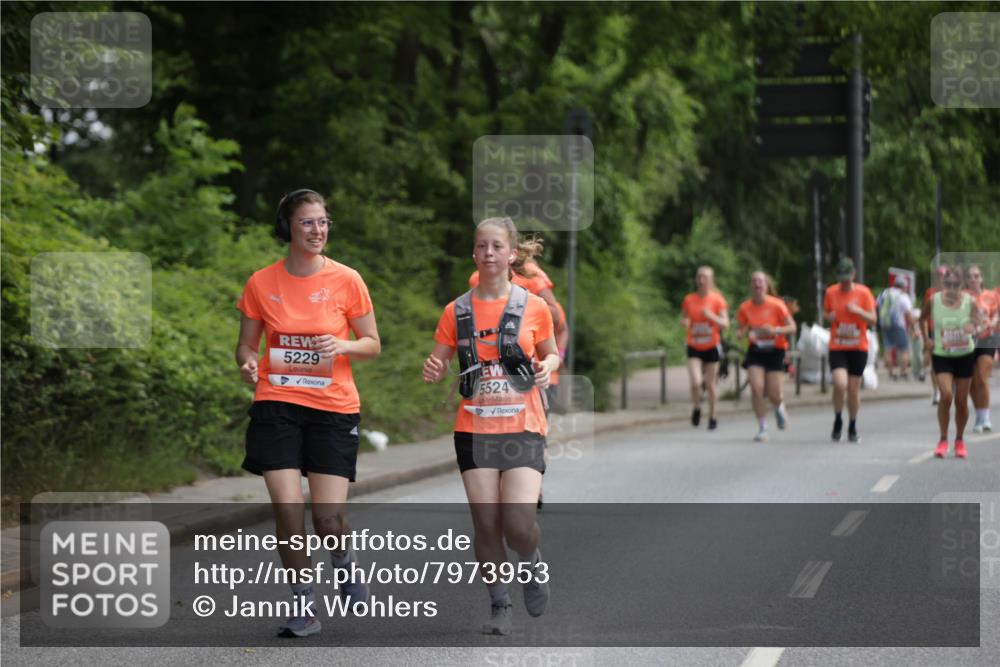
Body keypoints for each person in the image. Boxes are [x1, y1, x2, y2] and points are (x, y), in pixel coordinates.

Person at [235, 189, 381, 638]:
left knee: (327, 520)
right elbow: (246, 345)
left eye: (323, 222)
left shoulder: (347, 279)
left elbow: (373, 344)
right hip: (277, 402)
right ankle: (303, 605)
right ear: (288, 228)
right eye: (307, 223)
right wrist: (245, 362)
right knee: (287, 508)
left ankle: (343, 559)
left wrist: (343, 345)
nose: (318, 230)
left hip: (332, 408)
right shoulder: (262, 282)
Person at [423, 216, 558, 636]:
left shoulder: (534, 306)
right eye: (482, 246)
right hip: (474, 429)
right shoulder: (456, 309)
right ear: (474, 253)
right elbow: (440, 359)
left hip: (522, 427)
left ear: (511, 254)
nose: (489, 253)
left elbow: (552, 354)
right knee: (485, 523)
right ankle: (500, 605)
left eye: (497, 247)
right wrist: (432, 368)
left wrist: (545, 367)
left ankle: (532, 565)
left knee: (517, 524)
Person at [928, 266, 982, 459]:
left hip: (964, 355)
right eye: (947, 284)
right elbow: (921, 319)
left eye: (955, 285)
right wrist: (926, 339)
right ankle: (943, 439)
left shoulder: (970, 302)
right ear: (944, 284)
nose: (951, 288)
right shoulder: (934, 301)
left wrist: (973, 328)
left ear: (961, 286)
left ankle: (959, 439)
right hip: (942, 354)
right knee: (946, 395)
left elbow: (979, 323)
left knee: (961, 401)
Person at [736, 271, 796, 442]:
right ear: (751, 286)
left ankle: (779, 407)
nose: (757, 284)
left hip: (775, 351)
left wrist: (774, 330)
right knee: (756, 388)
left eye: (760, 281)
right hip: (755, 351)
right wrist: (740, 333)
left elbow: (792, 327)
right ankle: (762, 427)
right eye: (754, 281)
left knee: (774, 394)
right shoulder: (745, 307)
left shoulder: (777, 305)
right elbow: (741, 327)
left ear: (766, 285)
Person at [823, 258, 877, 443]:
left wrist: (858, 311)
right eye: (841, 279)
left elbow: (873, 320)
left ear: (853, 275)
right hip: (838, 345)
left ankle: (852, 425)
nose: (844, 283)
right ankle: (838, 418)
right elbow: (826, 313)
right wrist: (828, 317)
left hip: (858, 346)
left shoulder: (864, 293)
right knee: (840, 384)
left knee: (853, 388)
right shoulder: (831, 292)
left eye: (847, 279)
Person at [680, 266, 729, 430]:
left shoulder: (717, 300)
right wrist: (685, 323)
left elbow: (725, 324)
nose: (702, 280)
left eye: (705, 277)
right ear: (696, 279)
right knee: (695, 382)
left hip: (711, 346)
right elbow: (686, 319)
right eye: (699, 277)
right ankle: (697, 408)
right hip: (694, 345)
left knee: (709, 384)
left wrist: (711, 316)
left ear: (711, 280)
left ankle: (713, 415)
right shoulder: (689, 299)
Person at [965, 264, 999, 432]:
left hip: (988, 338)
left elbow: (997, 312)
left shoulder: (991, 296)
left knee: (982, 375)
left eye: (976, 276)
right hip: (968, 340)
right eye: (970, 276)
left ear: (982, 278)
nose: (973, 279)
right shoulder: (962, 296)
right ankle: (979, 413)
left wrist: (993, 321)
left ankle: (985, 417)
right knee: (971, 380)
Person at [877, 277, 915, 380]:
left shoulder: (884, 293)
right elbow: (908, 313)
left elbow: (876, 306)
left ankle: (891, 373)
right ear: (903, 286)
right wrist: (913, 327)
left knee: (888, 349)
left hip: (885, 324)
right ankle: (903, 372)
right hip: (898, 325)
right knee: (903, 349)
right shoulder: (903, 296)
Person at [920, 267, 948, 404]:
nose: (940, 278)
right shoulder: (929, 293)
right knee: (934, 362)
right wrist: (925, 336)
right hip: (933, 329)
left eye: (943, 275)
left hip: (948, 331)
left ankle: (947, 388)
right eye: (938, 275)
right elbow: (923, 314)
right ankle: (936, 392)